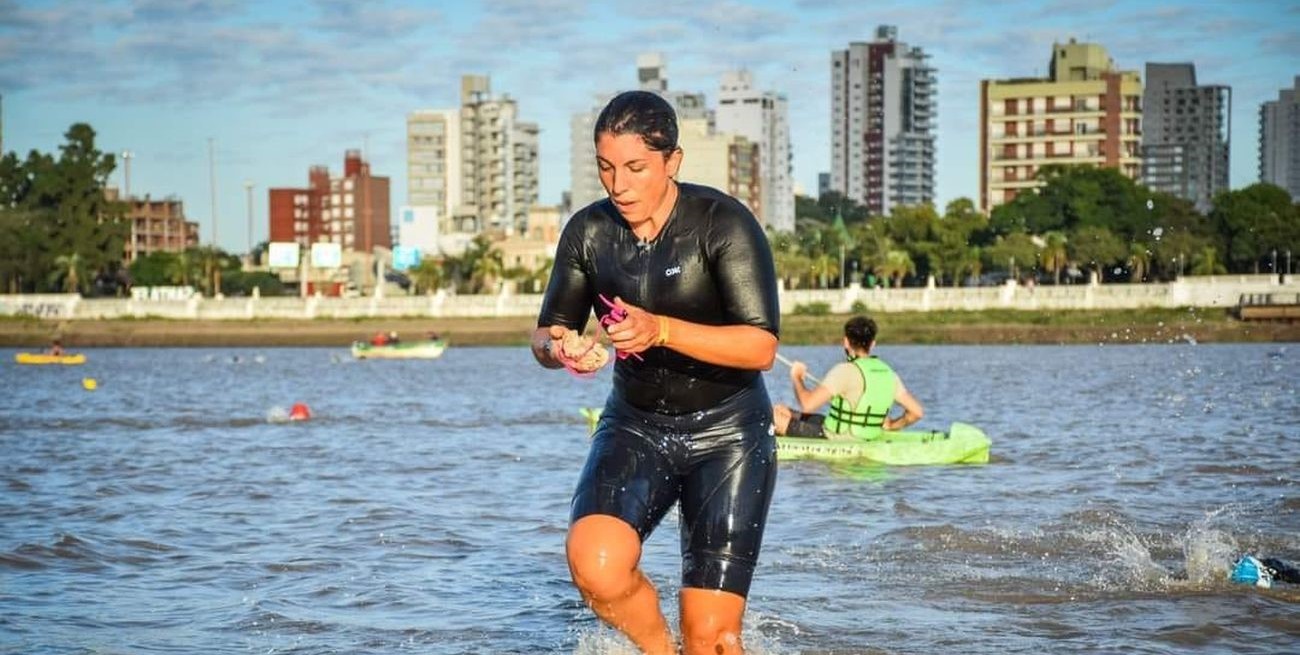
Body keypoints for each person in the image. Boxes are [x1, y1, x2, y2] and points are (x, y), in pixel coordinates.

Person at [532, 90, 780, 655]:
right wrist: (561, 348)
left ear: (672, 162)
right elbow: (545, 334)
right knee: (594, 565)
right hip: (635, 424)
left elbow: (760, 346)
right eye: (605, 168)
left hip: (729, 433)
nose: (618, 185)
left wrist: (659, 330)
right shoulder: (588, 232)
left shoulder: (723, 224)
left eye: (636, 168)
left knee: (713, 640)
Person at [772, 315, 923, 440]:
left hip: (835, 437)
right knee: (781, 410)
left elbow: (807, 404)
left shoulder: (844, 371)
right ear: (872, 344)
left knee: (772, 415)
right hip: (867, 435)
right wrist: (891, 425)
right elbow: (916, 412)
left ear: (846, 341)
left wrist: (797, 377)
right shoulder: (889, 374)